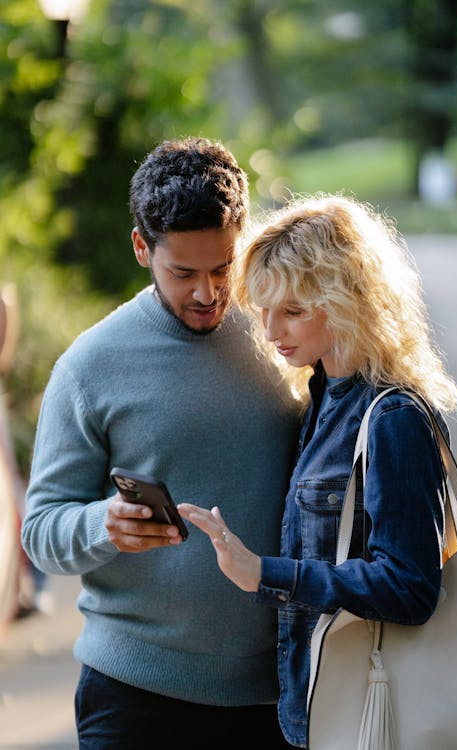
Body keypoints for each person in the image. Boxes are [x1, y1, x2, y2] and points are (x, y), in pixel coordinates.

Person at [21, 137, 301, 749]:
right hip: (134, 698)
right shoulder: (89, 366)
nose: (208, 293)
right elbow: (40, 532)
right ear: (141, 248)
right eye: (184, 273)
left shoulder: (282, 337)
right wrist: (104, 525)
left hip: (275, 695)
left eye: (223, 267)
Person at [178, 193, 457, 748]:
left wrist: (267, 573)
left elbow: (410, 587)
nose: (269, 331)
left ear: (345, 301)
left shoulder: (391, 417)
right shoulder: (321, 401)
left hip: (370, 713)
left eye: (292, 310)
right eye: (263, 308)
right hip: (315, 706)